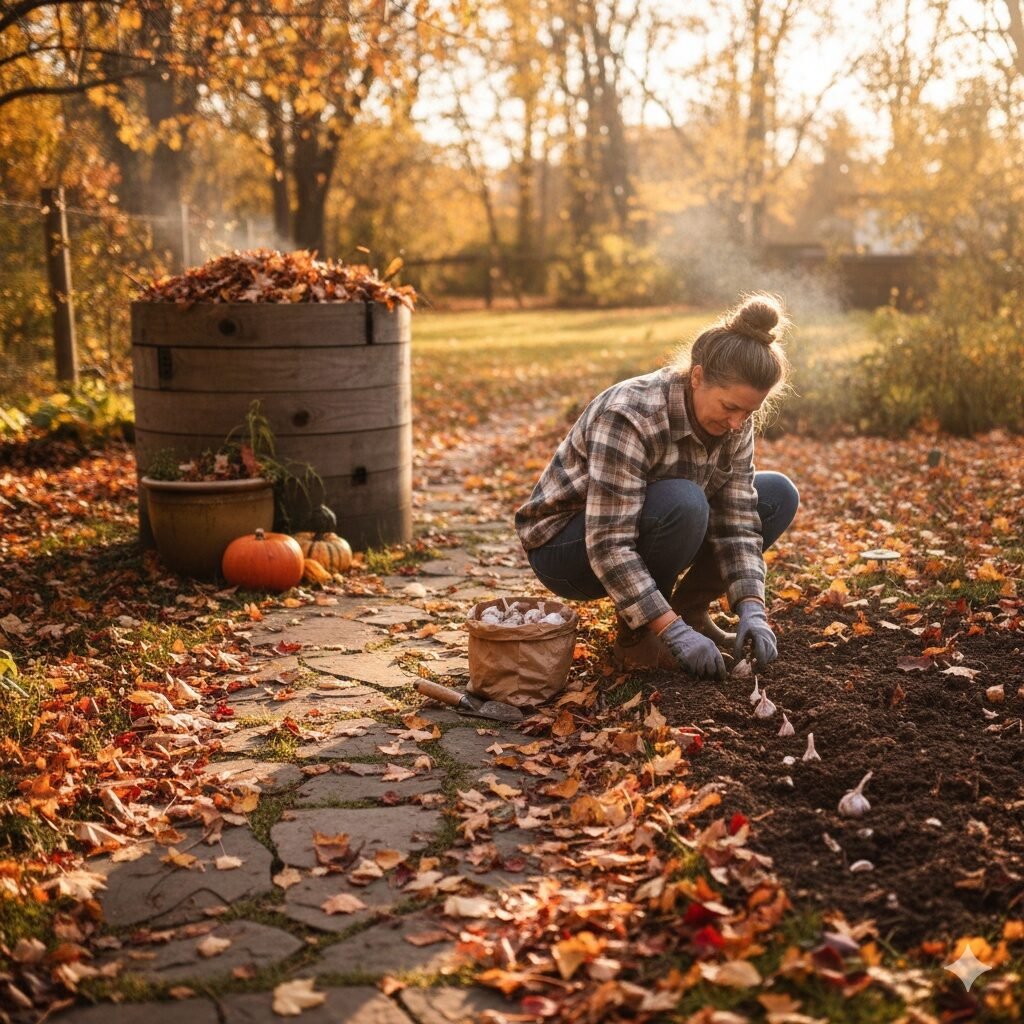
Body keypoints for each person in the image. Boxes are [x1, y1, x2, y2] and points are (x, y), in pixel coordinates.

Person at [514, 294, 799, 680]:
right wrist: (668, 629)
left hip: (649, 524)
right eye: (730, 407)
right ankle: (639, 638)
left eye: (749, 412)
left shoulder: (736, 422)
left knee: (776, 495)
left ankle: (691, 614)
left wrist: (752, 605)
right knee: (685, 501)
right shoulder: (630, 415)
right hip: (567, 548)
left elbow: (737, 519)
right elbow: (608, 544)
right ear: (697, 377)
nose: (738, 423)